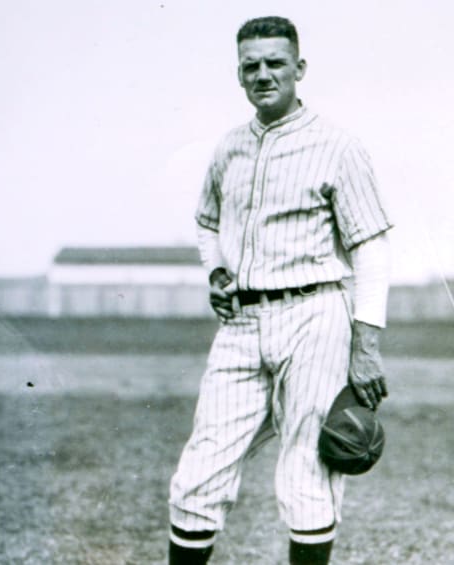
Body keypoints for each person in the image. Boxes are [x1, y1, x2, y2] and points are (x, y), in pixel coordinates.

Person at [168, 15, 392, 565]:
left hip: (316, 316)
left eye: (275, 63)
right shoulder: (228, 149)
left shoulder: (337, 146)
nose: (263, 74)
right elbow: (205, 221)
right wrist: (218, 273)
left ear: (299, 68)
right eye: (252, 66)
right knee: (198, 473)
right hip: (243, 321)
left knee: (308, 474)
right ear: (238, 74)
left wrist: (365, 345)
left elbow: (370, 248)